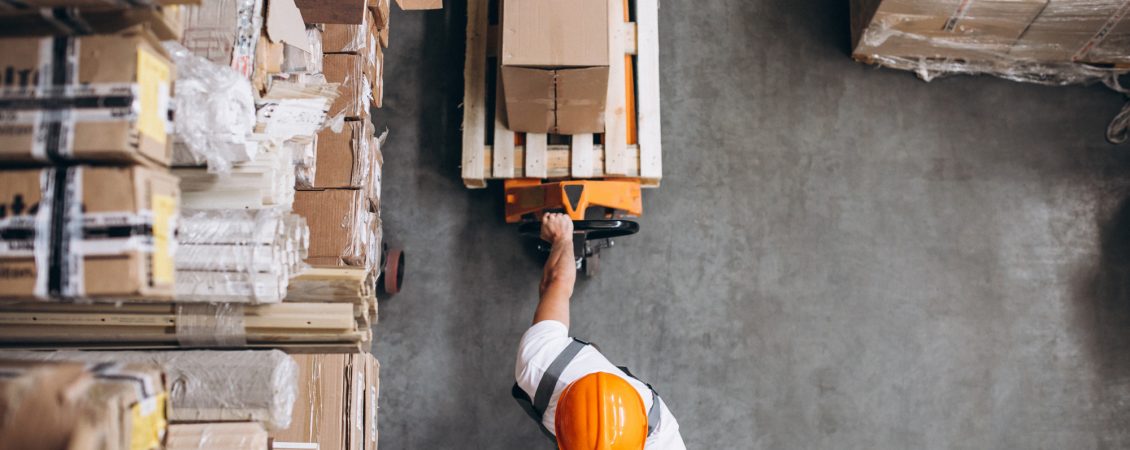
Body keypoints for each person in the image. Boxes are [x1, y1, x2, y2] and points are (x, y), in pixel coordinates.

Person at [513, 213, 687, 449]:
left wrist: (562, 236)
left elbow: (555, 284)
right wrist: (563, 238)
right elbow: (555, 283)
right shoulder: (542, 363)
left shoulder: (541, 361)